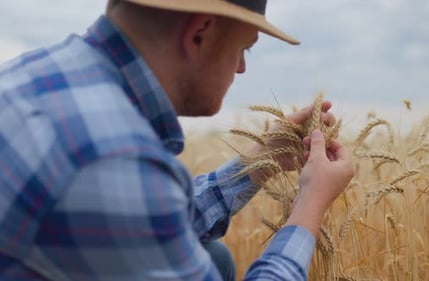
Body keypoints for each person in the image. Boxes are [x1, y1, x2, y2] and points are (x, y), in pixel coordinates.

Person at [0, 0, 354, 280]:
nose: (241, 67)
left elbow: (151, 221)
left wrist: (259, 163)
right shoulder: (113, 158)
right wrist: (310, 205)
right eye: (244, 47)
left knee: (213, 258)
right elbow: (134, 198)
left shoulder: (43, 72)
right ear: (199, 32)